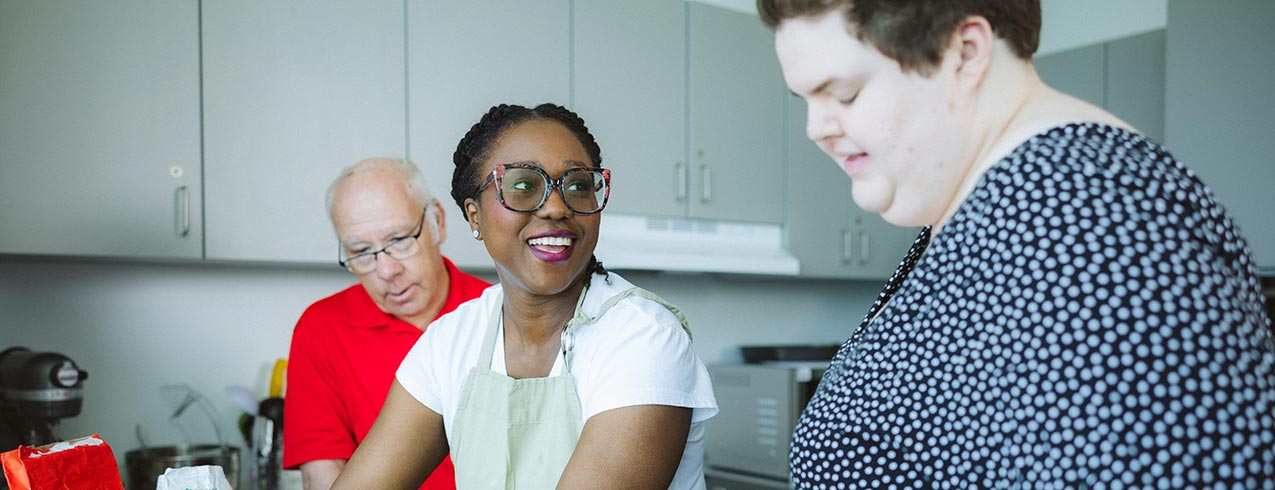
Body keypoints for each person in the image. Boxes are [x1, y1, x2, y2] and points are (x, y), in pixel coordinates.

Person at [759, 0, 1275, 487]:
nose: (816, 129)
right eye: (806, 99)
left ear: (964, 52)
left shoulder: (1093, 227)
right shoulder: (988, 209)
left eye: (844, 94)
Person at [331, 103, 718, 489]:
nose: (555, 207)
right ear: (474, 216)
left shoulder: (642, 338)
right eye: (522, 186)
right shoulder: (449, 343)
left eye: (577, 185)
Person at [283, 158, 491, 490]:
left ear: (437, 220)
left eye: (399, 241)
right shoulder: (320, 328)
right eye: (361, 251)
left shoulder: (499, 312)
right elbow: (323, 471)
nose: (386, 271)